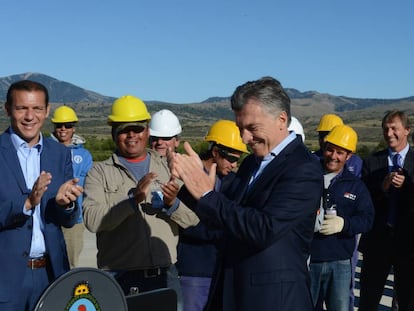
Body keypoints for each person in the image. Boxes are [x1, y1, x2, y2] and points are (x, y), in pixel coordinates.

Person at [168, 76, 323, 311]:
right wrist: (191, 182)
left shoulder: (303, 167)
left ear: (281, 119)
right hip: (232, 290)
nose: (244, 138)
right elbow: (223, 213)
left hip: (273, 300)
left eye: (252, 128)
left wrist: (207, 194)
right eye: (241, 129)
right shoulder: (252, 163)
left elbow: (264, 228)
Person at [82, 95, 199, 305]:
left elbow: (193, 219)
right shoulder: (98, 172)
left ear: (147, 131)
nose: (131, 135)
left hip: (165, 275)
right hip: (119, 277)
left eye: (137, 129)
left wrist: (173, 204)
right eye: (124, 129)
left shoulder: (168, 167)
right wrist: (131, 200)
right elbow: (92, 220)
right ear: (113, 133)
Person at [0, 80, 83, 310]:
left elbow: (66, 221)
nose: (29, 116)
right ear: (8, 109)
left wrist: (66, 205)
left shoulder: (59, 154)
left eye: (37, 108)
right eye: (21, 108)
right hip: (6, 278)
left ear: (47, 111)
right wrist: (26, 203)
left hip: (51, 274)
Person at [176, 120, 249, 311]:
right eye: (231, 159)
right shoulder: (191, 181)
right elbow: (188, 226)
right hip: (195, 269)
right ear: (216, 152)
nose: (234, 165)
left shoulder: (233, 182)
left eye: (238, 159)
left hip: (223, 268)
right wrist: (222, 231)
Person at [309, 124, 374, 311]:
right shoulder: (309, 177)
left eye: (340, 152)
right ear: (324, 148)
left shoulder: (355, 186)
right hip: (309, 258)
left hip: (340, 263)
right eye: (330, 150)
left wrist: (345, 224)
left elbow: (368, 219)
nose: (334, 156)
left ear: (349, 156)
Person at [358, 110, 414, 311]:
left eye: (394, 128)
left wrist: (408, 187)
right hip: (377, 243)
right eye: (385, 129)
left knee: (407, 301)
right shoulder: (371, 162)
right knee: (368, 300)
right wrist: (382, 188)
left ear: (407, 130)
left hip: (409, 245)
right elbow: (362, 200)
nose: (389, 133)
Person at [50, 106, 93, 268]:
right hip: (49, 217)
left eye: (67, 125)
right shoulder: (45, 149)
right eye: (59, 125)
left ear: (73, 128)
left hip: (75, 219)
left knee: (70, 264)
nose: (63, 129)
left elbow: (89, 186)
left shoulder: (85, 155)